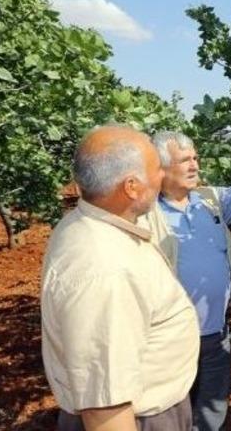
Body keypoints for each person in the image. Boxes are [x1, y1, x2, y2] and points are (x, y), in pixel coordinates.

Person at [41, 126, 200, 431]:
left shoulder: (91, 225)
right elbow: (106, 405)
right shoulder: (105, 269)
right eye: (156, 169)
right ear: (131, 187)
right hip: (140, 420)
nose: (162, 177)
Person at [140, 131, 231, 431]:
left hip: (215, 332)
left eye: (195, 158)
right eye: (184, 160)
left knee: (212, 406)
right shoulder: (144, 215)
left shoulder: (210, 200)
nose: (194, 166)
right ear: (162, 168)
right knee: (169, 412)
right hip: (169, 339)